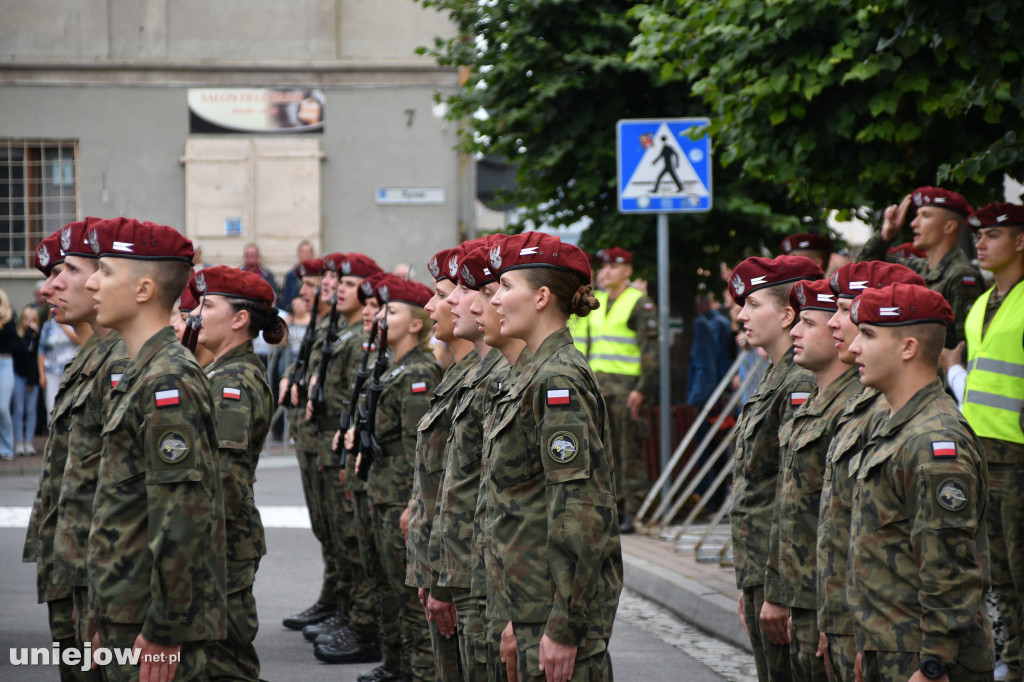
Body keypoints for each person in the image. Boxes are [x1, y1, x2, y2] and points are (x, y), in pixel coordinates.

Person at [83, 217, 226, 681]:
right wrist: (106, 615)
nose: (90, 282)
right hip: (126, 612)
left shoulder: (169, 379)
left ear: (144, 289)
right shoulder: (143, 371)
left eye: (104, 272)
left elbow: (180, 517)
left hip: (149, 625)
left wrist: (163, 631)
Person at [485, 231, 622, 682]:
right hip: (530, 604)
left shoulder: (557, 379)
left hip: (551, 611)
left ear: (542, 297)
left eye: (506, 287)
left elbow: (582, 511)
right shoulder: (536, 372)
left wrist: (564, 626)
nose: (496, 300)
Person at [847, 283, 994, 682]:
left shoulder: (932, 440)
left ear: (908, 348)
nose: (853, 347)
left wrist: (933, 664)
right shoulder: (898, 425)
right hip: (893, 647)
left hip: (923, 660)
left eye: (868, 334)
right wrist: (870, 643)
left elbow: (948, 565)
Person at [817, 260, 926, 682]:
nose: (836, 324)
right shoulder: (869, 402)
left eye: (850, 312)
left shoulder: (898, 412)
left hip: (894, 636)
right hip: (857, 625)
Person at [727, 254, 823, 682]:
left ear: (788, 314)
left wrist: (778, 591)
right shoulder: (776, 375)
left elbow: (796, 496)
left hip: (781, 573)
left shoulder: (799, 382)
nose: (741, 314)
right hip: (762, 569)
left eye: (752, 304)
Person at [344, 274, 441, 682]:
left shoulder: (419, 374)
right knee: (384, 585)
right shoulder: (392, 368)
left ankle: (418, 671)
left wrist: (411, 504)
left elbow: (420, 449)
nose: (381, 317)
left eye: (392, 310)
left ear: (416, 324)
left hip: (397, 497)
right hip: (377, 491)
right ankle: (394, 662)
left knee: (407, 595)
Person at [766, 278, 861, 682]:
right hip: (801, 596)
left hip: (826, 607)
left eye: (808, 321)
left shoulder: (853, 410)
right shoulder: (819, 403)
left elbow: (850, 528)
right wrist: (775, 589)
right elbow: (789, 507)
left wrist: (836, 616)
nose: (795, 332)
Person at [191, 266, 280, 681]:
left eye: (206, 305)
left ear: (239, 319)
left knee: (225, 663)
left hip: (221, 540)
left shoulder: (233, 382)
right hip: (217, 537)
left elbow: (224, 475)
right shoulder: (218, 371)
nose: (195, 313)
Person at [450, 238, 529, 682]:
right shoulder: (507, 377)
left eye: (467, 290)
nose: (481, 304)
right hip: (488, 578)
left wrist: (551, 621)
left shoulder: (550, 384)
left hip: (522, 596)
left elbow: (570, 516)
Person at [954, 202, 1024, 681]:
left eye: (993, 234)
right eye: (978, 235)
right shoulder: (981, 305)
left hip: (1018, 457)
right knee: (999, 571)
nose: (980, 243)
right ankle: (1015, 660)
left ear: (1020, 241)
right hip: (983, 456)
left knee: (1021, 570)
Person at [406, 243, 482, 680]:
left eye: (445, 292)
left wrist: (442, 581)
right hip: (447, 568)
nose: (435, 304)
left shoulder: (488, 381)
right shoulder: (457, 374)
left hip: (466, 577)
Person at [21, 230, 93, 681]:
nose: (48, 288)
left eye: (65, 272)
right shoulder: (89, 363)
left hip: (101, 582)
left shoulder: (130, 370)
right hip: (72, 566)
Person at [573, 246, 658, 533]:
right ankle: (613, 507)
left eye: (612, 267)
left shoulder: (639, 302)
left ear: (627, 271)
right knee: (605, 453)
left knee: (628, 452)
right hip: (599, 389)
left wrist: (642, 389)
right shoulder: (596, 303)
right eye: (603, 267)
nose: (605, 272)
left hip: (627, 390)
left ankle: (632, 510)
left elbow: (650, 351)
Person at [279, 257, 340, 633]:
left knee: (339, 531)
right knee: (325, 527)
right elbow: (302, 366)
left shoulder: (343, 329)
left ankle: (346, 608)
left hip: (327, 441)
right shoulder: (321, 327)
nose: (302, 293)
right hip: (308, 436)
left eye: (311, 285)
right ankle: (334, 599)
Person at [859, 186, 984, 349]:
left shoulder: (961, 275)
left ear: (949, 227)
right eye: (916, 216)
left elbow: (963, 347)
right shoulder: (918, 267)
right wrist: (885, 235)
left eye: (925, 216)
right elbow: (864, 269)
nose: (913, 224)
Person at [12, 304, 41, 456]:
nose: (29, 323)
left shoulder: (39, 337)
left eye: (33, 320)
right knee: (18, 410)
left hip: (33, 378)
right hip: (18, 376)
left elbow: (36, 359)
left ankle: (29, 441)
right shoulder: (18, 335)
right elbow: (20, 351)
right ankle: (18, 442)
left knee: (31, 410)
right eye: (26, 319)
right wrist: (28, 334)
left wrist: (32, 379)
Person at [38, 312, 81, 413]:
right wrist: (42, 374)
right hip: (51, 371)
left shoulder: (74, 323)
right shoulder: (48, 325)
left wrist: (63, 327)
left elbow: (78, 340)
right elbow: (41, 351)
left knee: (69, 406)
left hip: (71, 371)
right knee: (51, 406)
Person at [0, 289, 19, 460]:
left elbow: (14, 339)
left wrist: (3, 320)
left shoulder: (10, 319)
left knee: (3, 408)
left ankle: (6, 448)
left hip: (5, 363)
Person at [281, 239, 316, 313]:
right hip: (295, 312)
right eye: (303, 252)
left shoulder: (317, 275)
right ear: (299, 254)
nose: (306, 254)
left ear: (312, 254)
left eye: (309, 252)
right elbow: (287, 301)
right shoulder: (291, 276)